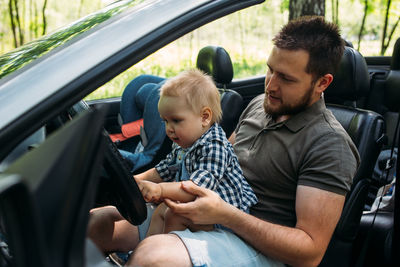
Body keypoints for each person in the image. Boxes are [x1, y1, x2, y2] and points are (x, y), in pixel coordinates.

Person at [88, 16, 360, 267]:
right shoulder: (259, 106)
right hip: (211, 216)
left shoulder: (330, 144)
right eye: (270, 70)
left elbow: (310, 252)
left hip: (258, 248)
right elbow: (219, 158)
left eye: (286, 78)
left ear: (322, 83)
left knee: (152, 256)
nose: (270, 85)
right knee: (93, 224)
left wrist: (226, 215)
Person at [134, 69, 257, 236]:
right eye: (165, 121)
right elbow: (164, 169)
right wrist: (137, 180)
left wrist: (160, 190)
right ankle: (145, 249)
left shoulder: (215, 146)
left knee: (175, 214)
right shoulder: (184, 141)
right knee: (163, 209)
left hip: (225, 220)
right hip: (201, 207)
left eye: (176, 120)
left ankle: (168, 252)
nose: (169, 129)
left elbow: (196, 189)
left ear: (205, 117)